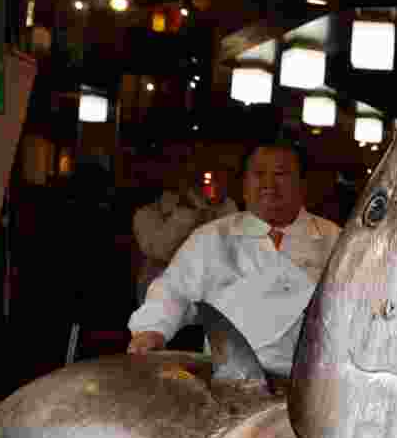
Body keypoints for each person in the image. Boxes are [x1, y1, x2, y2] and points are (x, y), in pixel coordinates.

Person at [127, 140, 341, 377]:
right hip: (229, 380)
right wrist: (152, 330)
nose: (269, 184)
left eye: (281, 174)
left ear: (302, 184)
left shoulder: (335, 239)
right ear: (244, 185)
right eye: (259, 174)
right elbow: (173, 290)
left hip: (311, 383)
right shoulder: (212, 237)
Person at [132, 174, 238, 305]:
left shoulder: (216, 206)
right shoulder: (147, 214)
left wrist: (221, 205)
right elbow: (161, 250)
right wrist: (187, 209)